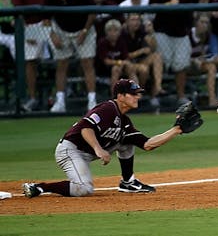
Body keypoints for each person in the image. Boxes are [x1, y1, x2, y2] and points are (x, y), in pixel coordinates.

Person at [22, 79, 203, 198]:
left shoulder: (125, 122)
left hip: (88, 152)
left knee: (127, 142)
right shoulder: (107, 109)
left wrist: (177, 129)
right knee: (84, 189)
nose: (137, 96)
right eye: (133, 93)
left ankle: (128, 182)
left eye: (137, 93)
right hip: (70, 151)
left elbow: (148, 144)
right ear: (120, 96)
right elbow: (86, 128)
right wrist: (99, 149)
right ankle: (41, 187)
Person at [44, 0, 97, 113]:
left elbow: (93, 12)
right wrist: (52, 34)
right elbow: (46, 18)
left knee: (87, 63)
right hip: (61, 30)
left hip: (83, 28)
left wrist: (85, 31)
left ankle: (92, 101)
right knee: (61, 64)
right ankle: (60, 101)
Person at [150, 0, 200, 105]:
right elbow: (151, 5)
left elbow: (196, 2)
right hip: (163, 31)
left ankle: (181, 95)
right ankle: (154, 95)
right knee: (161, 63)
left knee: (181, 65)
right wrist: (167, 5)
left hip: (182, 32)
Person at [11, 0, 54, 112]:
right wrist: (26, 30)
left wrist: (49, 18)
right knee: (30, 61)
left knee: (57, 59)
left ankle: (57, 95)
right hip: (30, 25)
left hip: (49, 22)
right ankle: (32, 97)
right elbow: (18, 9)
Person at [121, 13, 165, 107]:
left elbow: (152, 49)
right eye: (133, 20)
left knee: (157, 56)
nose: (136, 22)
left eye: (137, 20)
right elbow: (126, 56)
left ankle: (158, 87)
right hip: (126, 63)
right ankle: (138, 93)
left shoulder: (141, 31)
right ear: (127, 21)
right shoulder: (123, 33)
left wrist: (151, 34)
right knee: (143, 69)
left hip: (140, 61)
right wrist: (141, 51)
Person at [189, 13, 218, 107]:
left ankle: (212, 100)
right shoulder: (188, 34)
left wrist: (202, 60)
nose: (204, 25)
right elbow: (183, 58)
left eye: (206, 23)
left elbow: (208, 54)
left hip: (202, 64)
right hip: (188, 65)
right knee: (205, 63)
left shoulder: (208, 36)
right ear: (196, 23)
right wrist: (195, 60)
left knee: (217, 63)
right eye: (202, 22)